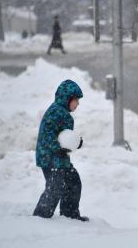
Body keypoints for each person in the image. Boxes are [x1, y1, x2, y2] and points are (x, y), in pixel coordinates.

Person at [33, 79, 88, 222]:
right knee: (55, 187)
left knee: (73, 182)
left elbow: (65, 136)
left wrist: (76, 142)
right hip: (49, 158)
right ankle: (41, 216)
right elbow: (47, 136)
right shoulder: (56, 112)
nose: (78, 103)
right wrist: (59, 147)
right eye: (76, 100)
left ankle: (69, 214)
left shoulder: (63, 113)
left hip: (60, 158)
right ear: (67, 99)